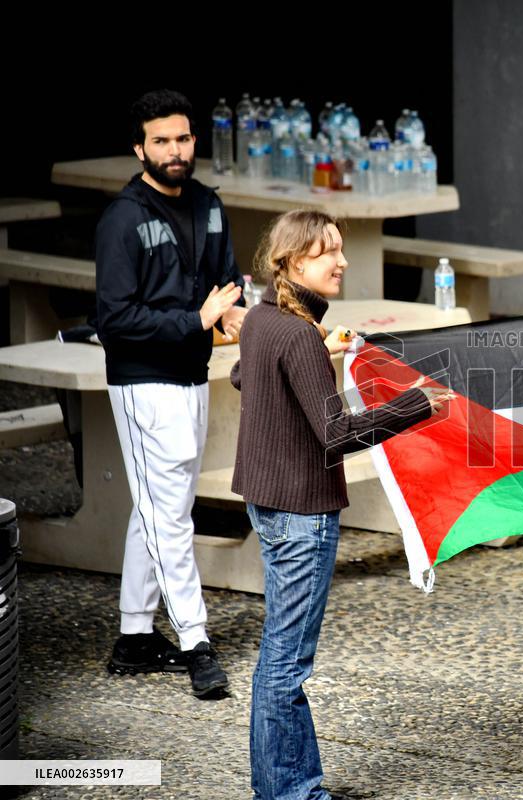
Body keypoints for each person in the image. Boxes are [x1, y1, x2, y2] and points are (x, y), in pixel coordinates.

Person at [230, 209, 453, 800]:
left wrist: (314, 353)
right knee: (287, 664)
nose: (342, 261)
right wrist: (417, 404)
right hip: (302, 512)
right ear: (296, 260)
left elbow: (241, 374)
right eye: (329, 251)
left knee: (277, 656)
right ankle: (292, 793)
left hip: (267, 503)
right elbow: (335, 434)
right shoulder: (297, 334)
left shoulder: (262, 320)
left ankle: (279, 787)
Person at [97, 89, 245, 698]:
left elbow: (227, 279)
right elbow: (114, 319)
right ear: (140, 148)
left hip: (192, 376)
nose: (175, 150)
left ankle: (134, 636)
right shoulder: (123, 219)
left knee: (163, 511)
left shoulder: (209, 204)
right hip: (142, 384)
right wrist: (195, 318)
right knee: (167, 518)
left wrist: (230, 312)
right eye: (161, 140)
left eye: (183, 138)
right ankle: (195, 640)